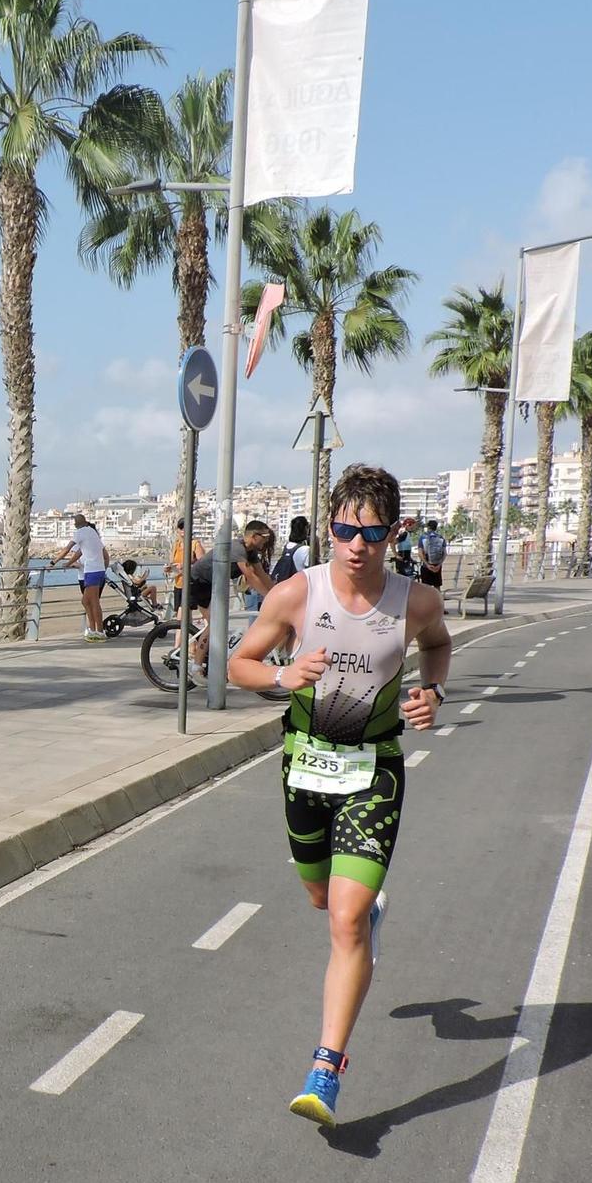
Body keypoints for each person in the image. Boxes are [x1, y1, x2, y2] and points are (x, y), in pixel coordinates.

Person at [227, 464, 451, 1128]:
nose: (357, 544)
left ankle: (326, 1069)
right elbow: (240, 665)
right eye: (345, 529)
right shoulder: (296, 594)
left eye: (372, 531)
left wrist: (432, 691)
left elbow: (437, 648)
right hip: (305, 767)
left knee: (346, 921)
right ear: (330, 527)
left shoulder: (416, 602)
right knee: (323, 899)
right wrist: (281, 675)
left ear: (392, 532)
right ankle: (358, 912)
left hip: (373, 768)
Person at [179, 520, 276, 675]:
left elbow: (262, 575)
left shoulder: (251, 552)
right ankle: (196, 666)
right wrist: (269, 597)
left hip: (213, 585)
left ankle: (211, 660)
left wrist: (276, 593)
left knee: (219, 623)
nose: (266, 540)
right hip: (198, 582)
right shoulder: (237, 548)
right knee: (215, 624)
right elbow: (250, 575)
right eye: (264, 537)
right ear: (253, 536)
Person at [52, 513, 111, 640]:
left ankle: (99, 632)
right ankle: (94, 629)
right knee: (86, 601)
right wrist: (68, 563)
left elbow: (67, 549)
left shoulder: (79, 533)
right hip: (98, 570)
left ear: (75, 525)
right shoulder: (92, 532)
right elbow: (81, 552)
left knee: (93, 602)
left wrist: (53, 562)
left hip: (92, 571)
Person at [416, 519, 448, 590]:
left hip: (426, 566)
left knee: (426, 588)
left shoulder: (423, 537)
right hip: (437, 566)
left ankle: (427, 601)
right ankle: (438, 600)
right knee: (437, 587)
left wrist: (427, 564)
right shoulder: (441, 538)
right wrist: (439, 565)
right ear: (436, 527)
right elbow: (445, 553)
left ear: (428, 527)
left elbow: (420, 553)